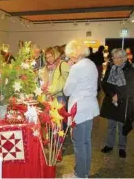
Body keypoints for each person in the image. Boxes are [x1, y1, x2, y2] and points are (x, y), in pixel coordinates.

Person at [62, 40, 99, 178]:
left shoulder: (76, 68)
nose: (68, 58)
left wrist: (70, 69)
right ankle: (84, 172)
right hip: (89, 107)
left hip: (79, 109)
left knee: (78, 143)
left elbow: (67, 90)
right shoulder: (91, 64)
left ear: (74, 53)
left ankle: (79, 174)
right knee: (86, 142)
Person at [100, 48, 134, 158]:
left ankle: (122, 147)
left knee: (122, 126)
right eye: (113, 57)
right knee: (111, 126)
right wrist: (111, 94)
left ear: (122, 58)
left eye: (115, 57)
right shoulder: (111, 68)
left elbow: (130, 88)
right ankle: (109, 145)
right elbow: (104, 83)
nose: (113, 59)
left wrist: (118, 97)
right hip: (111, 101)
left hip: (124, 102)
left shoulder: (130, 70)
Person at [40, 47, 70, 161]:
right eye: (47, 57)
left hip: (59, 98)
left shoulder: (62, 65)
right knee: (50, 124)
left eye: (50, 56)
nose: (49, 59)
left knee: (58, 125)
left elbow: (65, 82)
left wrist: (51, 89)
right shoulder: (47, 68)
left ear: (55, 54)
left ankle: (58, 150)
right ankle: (53, 146)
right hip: (50, 98)